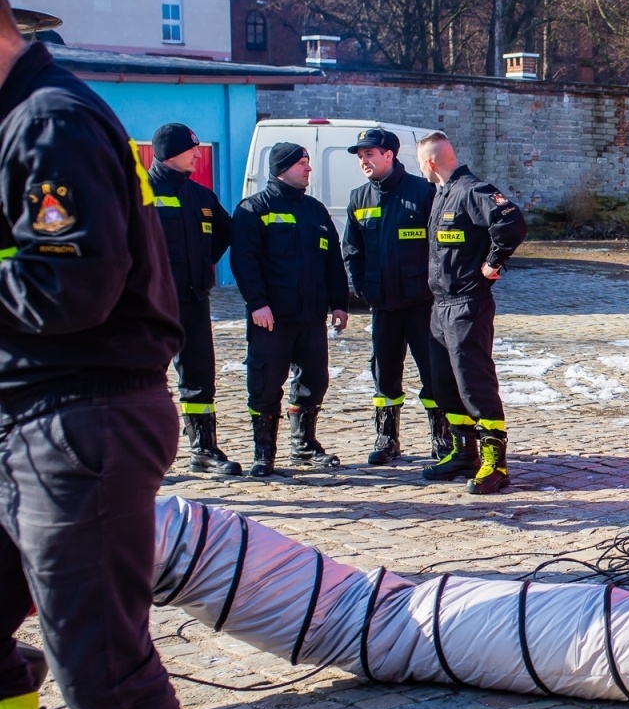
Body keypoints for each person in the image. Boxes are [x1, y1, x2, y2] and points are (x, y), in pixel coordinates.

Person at [0, 0, 200, 709]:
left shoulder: (52, 125)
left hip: (78, 423)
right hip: (23, 418)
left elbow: (66, 290)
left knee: (102, 671)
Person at [416, 132, 526, 494]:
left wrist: (494, 261)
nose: (420, 169)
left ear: (430, 162)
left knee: (473, 381)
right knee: (445, 383)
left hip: (467, 303)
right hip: (440, 305)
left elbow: (511, 220)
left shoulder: (471, 190)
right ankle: (464, 453)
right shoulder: (442, 193)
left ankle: (496, 463)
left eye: (419, 163)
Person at [231, 143, 349, 476]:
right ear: (282, 168)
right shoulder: (254, 209)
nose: (308, 169)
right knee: (265, 383)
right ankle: (263, 453)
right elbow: (244, 261)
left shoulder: (316, 211)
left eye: (308, 162)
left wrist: (339, 304)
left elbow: (333, 261)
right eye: (302, 163)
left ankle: (303, 446)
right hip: (272, 318)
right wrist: (257, 303)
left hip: (311, 316)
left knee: (314, 380)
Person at [342, 127, 446, 465]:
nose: (364, 161)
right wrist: (361, 286)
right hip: (383, 305)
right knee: (384, 374)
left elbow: (439, 245)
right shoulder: (359, 198)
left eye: (369, 154)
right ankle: (387, 439)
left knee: (433, 371)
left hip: (421, 304)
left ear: (389, 155)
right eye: (360, 156)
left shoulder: (422, 192)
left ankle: (441, 437)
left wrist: (434, 285)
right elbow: (352, 249)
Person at [148, 122, 238, 475]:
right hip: (151, 306)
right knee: (146, 381)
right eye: (191, 150)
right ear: (170, 153)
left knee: (200, 377)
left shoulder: (201, 197)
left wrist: (202, 266)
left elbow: (225, 233)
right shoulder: (138, 194)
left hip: (194, 302)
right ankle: (147, 459)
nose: (198, 155)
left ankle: (204, 450)